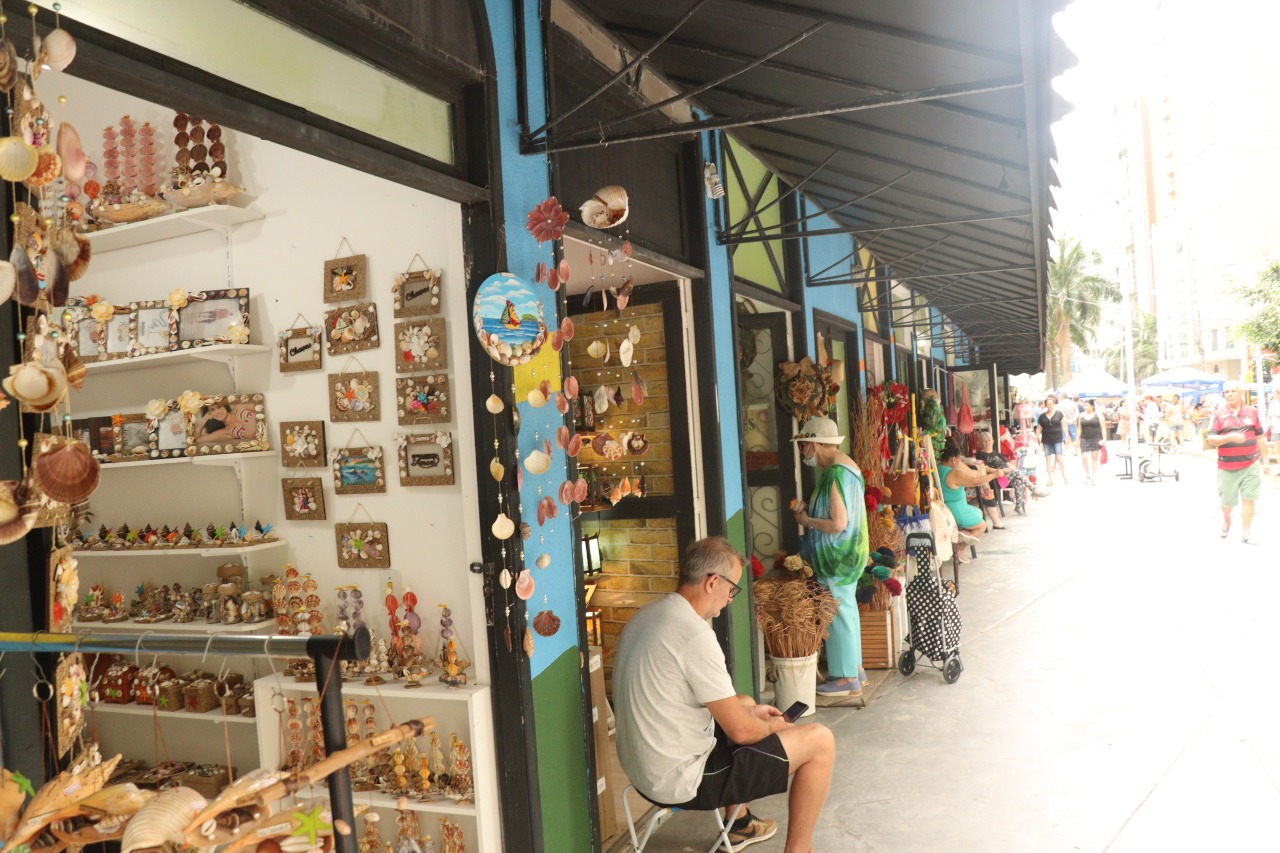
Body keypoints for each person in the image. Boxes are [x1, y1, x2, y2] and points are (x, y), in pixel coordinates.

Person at [613, 536, 836, 853]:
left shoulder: (648, 616)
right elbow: (743, 732)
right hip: (681, 781)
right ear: (712, 582)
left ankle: (740, 824)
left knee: (745, 704)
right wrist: (775, 727)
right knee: (820, 741)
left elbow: (726, 711)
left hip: (642, 769)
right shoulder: (694, 635)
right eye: (732, 589)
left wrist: (752, 714)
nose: (731, 598)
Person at [789, 416, 870, 697]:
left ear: (814, 444)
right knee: (846, 611)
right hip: (850, 553)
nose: (803, 453)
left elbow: (837, 523)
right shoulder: (847, 468)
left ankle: (846, 678)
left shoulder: (835, 473)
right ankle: (854, 669)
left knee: (839, 613)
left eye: (804, 446)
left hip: (839, 556)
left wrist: (808, 521)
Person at [1206, 381, 1271, 544]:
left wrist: (1265, 460)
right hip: (1227, 466)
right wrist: (1229, 437)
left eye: (1232, 391)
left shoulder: (1252, 412)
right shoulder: (1219, 414)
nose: (1229, 394)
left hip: (1251, 463)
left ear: (1240, 393)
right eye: (1226, 391)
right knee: (1227, 501)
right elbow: (1211, 439)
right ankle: (1227, 520)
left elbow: (1260, 437)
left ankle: (1246, 533)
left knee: (1249, 498)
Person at [936, 443, 991, 561]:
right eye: (959, 459)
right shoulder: (953, 473)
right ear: (954, 459)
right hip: (956, 510)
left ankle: (962, 532)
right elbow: (975, 481)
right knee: (982, 526)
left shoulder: (938, 469)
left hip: (948, 507)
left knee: (979, 512)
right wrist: (994, 475)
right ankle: (959, 548)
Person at [974, 431, 1011, 525]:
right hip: (995, 478)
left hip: (1004, 474)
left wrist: (1009, 468)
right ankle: (1033, 490)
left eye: (989, 440)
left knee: (1018, 478)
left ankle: (1019, 504)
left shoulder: (996, 453)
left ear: (993, 441)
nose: (987, 443)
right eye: (985, 441)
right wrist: (997, 472)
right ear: (981, 443)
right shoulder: (980, 455)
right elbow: (983, 468)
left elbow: (1007, 463)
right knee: (1018, 476)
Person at [1035, 395, 1068, 486]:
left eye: (1051, 404)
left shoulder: (1059, 414)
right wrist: (1036, 436)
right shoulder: (1042, 416)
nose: (1049, 406)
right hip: (1047, 439)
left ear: (1053, 404)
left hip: (1057, 438)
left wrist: (1067, 435)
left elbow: (1064, 425)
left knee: (1059, 458)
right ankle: (1050, 479)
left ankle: (1064, 475)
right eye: (1047, 404)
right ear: (1045, 405)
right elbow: (1039, 428)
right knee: (1048, 459)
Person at [1077, 399, 1106, 484]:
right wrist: (1077, 439)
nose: (1085, 407)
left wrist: (1104, 439)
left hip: (1096, 438)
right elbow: (1079, 428)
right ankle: (1087, 475)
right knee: (1084, 457)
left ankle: (1093, 477)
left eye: (1087, 405)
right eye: (1084, 405)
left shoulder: (1099, 415)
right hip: (1084, 438)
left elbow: (1103, 427)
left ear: (1092, 406)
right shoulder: (1081, 415)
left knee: (1094, 458)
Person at [1267, 388, 1280, 466]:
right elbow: (1269, 414)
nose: (1273, 394)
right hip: (1275, 427)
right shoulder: (1272, 402)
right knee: (1277, 449)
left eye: (1274, 393)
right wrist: (1269, 424)